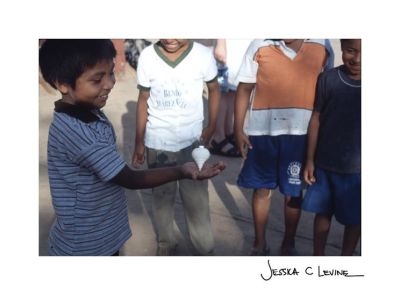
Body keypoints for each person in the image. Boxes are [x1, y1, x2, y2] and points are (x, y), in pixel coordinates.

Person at [39, 39, 225, 256]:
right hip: (86, 246)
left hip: (99, 236)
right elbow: (130, 179)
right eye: (97, 79)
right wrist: (182, 170)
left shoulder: (85, 112)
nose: (109, 84)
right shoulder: (80, 133)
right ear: (62, 83)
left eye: (110, 73)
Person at [234, 39, 334, 255]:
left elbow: (327, 90)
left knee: (293, 193)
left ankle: (289, 242)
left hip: (301, 136)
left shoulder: (322, 45)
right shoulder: (259, 44)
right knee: (262, 189)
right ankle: (259, 242)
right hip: (262, 133)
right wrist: (238, 128)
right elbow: (244, 88)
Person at [132, 39, 220, 255]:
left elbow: (215, 90)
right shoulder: (147, 57)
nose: (170, 38)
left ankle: (204, 247)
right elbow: (143, 99)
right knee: (162, 198)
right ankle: (166, 242)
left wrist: (212, 125)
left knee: (197, 200)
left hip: (193, 144)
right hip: (157, 142)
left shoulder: (202, 55)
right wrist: (139, 142)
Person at [302, 39, 361, 256]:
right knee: (322, 213)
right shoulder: (328, 79)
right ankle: (319, 258)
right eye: (351, 51)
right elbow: (316, 117)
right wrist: (310, 159)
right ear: (342, 49)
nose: (357, 59)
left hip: (358, 171)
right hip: (324, 164)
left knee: (356, 219)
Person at [209, 39, 251, 157]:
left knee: (233, 88)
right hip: (228, 45)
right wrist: (220, 43)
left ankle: (228, 131)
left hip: (242, 45)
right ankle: (218, 137)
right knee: (222, 91)